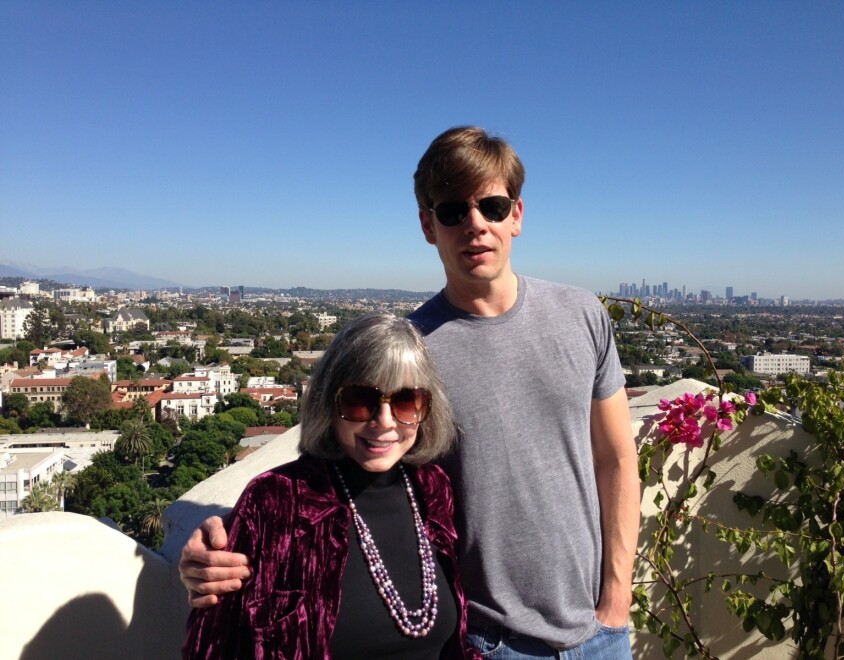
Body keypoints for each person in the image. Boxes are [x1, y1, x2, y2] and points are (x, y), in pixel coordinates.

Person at [180, 127, 640, 659]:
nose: (475, 226)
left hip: (600, 635)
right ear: (428, 225)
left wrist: (616, 598)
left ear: (517, 214)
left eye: (492, 206)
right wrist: (227, 540)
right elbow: (342, 469)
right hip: (484, 642)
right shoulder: (408, 355)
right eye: (452, 212)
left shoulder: (581, 315)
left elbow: (616, 457)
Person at [182, 312, 479, 659]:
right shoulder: (277, 501)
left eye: (405, 401)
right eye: (360, 400)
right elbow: (215, 645)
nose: (384, 423)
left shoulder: (432, 488)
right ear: (328, 402)